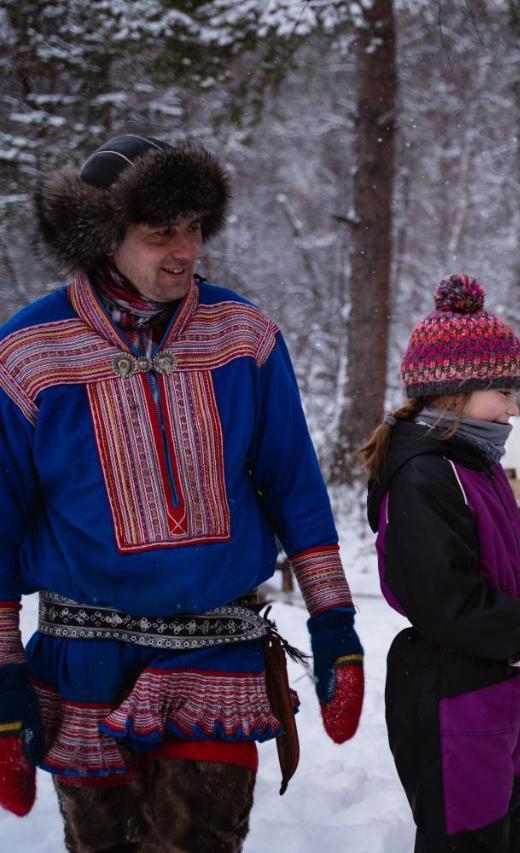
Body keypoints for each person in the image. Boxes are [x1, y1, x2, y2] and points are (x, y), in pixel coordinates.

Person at [0, 134, 364, 850]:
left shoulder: (245, 335)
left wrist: (336, 626)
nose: (185, 249)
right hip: (83, 660)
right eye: (161, 232)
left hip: (215, 651)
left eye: (194, 228)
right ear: (105, 235)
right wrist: (4, 677)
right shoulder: (27, 353)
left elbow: (295, 485)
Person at [362, 273, 520, 853]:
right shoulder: (421, 476)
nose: (514, 405)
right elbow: (449, 604)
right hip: (451, 700)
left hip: (501, 698)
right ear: (457, 391)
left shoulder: (478, 467)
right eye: (503, 390)